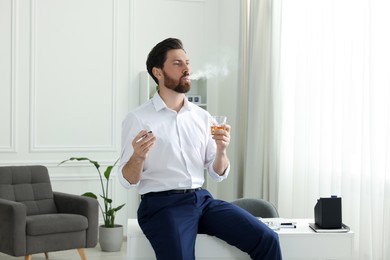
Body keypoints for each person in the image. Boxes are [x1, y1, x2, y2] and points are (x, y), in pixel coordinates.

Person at [118, 38, 282, 260]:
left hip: (201, 200)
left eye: (187, 62)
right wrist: (137, 157)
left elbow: (217, 173)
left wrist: (222, 149)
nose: (187, 69)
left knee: (267, 239)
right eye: (177, 63)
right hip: (161, 206)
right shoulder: (138, 119)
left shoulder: (202, 117)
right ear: (158, 72)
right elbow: (127, 180)